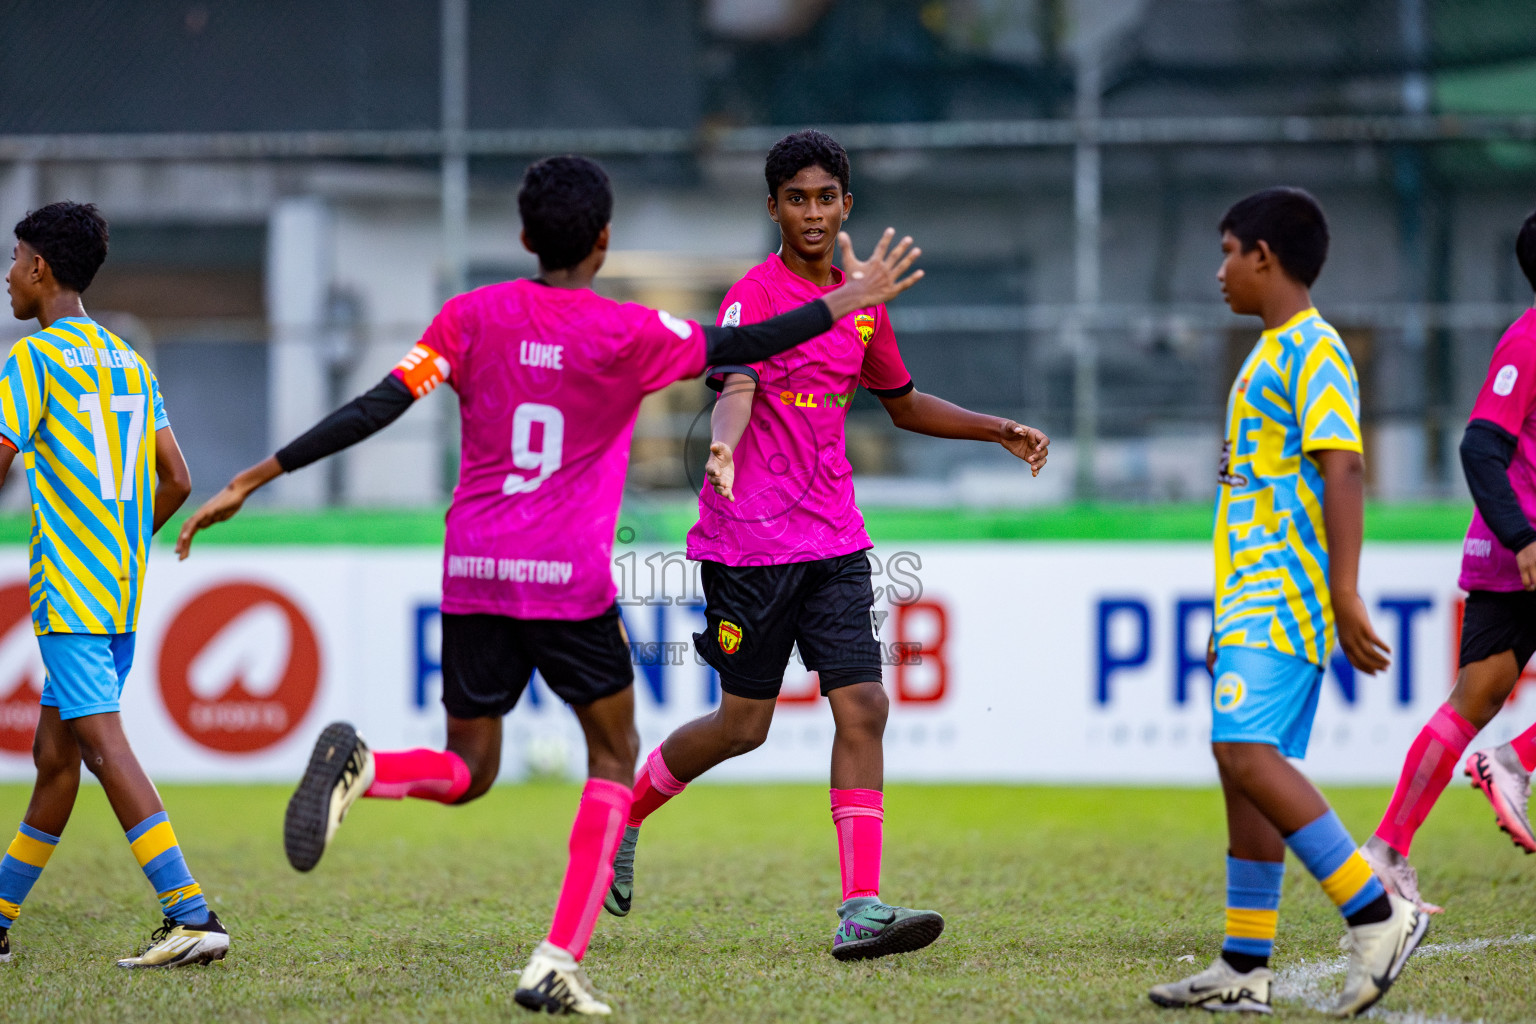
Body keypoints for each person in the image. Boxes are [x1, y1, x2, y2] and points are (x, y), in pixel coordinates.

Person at [175, 155, 924, 1015]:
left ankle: (369, 766)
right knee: (612, 755)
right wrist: (841, 301)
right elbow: (741, 349)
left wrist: (257, 476)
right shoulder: (632, 334)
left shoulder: (466, 318)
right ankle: (556, 960)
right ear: (603, 242)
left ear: (525, 237)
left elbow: (379, 403)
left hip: (475, 574)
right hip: (566, 583)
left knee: (469, 765)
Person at [602, 130, 1050, 963]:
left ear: (847, 203)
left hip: (835, 539)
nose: (813, 212)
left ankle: (860, 906)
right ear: (772, 207)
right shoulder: (752, 297)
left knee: (866, 706)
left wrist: (996, 429)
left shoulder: (865, 302)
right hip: (745, 547)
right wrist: (725, 445)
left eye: (826, 197)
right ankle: (622, 813)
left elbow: (904, 403)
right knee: (743, 727)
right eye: (796, 198)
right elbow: (735, 381)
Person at [1148, 188, 1426, 1017]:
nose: (1221, 270)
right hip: (1252, 598)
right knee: (1243, 771)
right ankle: (1243, 964)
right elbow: (1259, 495)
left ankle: (1378, 913)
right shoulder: (1269, 352)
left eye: (1229, 250)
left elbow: (1343, 467)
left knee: (1244, 755)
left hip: (1288, 598)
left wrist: (1343, 590)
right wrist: (1226, 608)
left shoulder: (1314, 349)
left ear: (1264, 256)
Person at [0, 202, 223, 968]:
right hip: (119, 591)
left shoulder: (28, 362)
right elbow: (178, 478)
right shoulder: (129, 363)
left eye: (14, 258)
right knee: (58, 760)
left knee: (103, 747)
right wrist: (122, 542)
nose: (7, 276)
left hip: (68, 591)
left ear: (40, 269)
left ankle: (190, 911)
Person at [1361, 208, 1536, 910]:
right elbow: (1479, 445)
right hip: (1520, 544)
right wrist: (1524, 538)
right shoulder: (1528, 341)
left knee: (1476, 698)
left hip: (1511, 548)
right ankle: (1513, 761)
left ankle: (1385, 850)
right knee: (1478, 706)